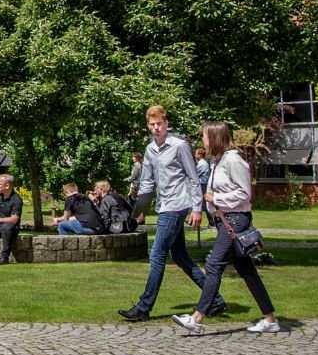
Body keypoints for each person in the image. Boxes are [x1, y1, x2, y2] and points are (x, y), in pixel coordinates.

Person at [172, 122, 283, 334]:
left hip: (235, 220)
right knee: (247, 270)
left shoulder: (233, 161)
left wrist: (216, 197)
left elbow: (244, 194)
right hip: (225, 219)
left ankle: (197, 318)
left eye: (205, 136)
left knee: (214, 265)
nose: (202, 140)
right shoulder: (217, 160)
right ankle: (270, 319)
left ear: (215, 137)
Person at [119, 105, 226, 322]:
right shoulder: (150, 150)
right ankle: (215, 300)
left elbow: (193, 178)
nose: (156, 128)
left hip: (177, 205)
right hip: (163, 206)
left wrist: (197, 208)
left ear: (166, 124)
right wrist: (139, 210)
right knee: (180, 257)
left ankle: (144, 306)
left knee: (156, 254)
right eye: (152, 124)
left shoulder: (179, 146)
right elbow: (147, 182)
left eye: (159, 124)